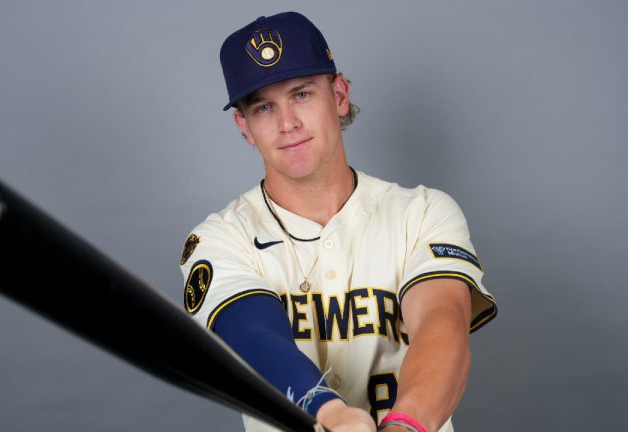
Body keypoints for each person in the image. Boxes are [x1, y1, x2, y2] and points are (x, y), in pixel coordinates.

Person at [180, 11, 496, 432]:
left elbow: (443, 325)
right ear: (245, 126)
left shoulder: (422, 212)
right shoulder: (219, 238)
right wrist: (328, 411)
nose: (287, 123)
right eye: (263, 107)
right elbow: (253, 336)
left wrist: (405, 426)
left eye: (302, 94)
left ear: (340, 95)